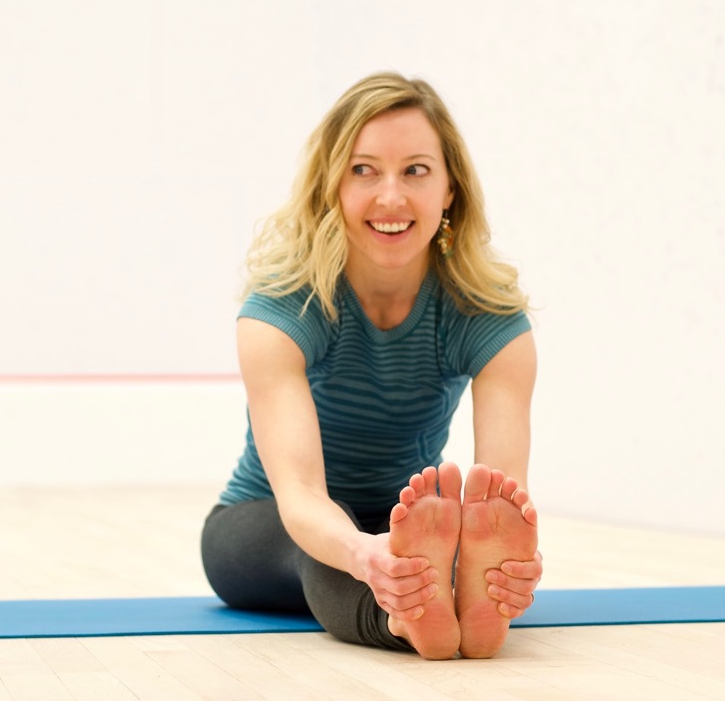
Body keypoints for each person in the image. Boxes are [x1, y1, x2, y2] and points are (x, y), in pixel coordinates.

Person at [201, 72, 543, 660]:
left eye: (415, 170)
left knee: (454, 543)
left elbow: (500, 502)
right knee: (328, 546)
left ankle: (451, 597)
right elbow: (303, 494)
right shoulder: (283, 309)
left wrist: (504, 566)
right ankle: (403, 621)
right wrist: (367, 556)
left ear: (449, 189)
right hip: (263, 524)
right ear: (332, 186)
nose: (391, 197)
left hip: (402, 518)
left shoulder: (490, 318)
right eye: (363, 170)